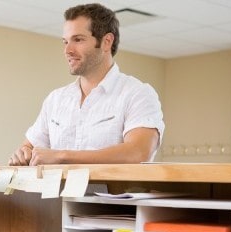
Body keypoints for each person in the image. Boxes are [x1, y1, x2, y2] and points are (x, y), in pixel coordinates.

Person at [9, 3, 165, 166]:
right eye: (65, 41)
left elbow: (138, 152)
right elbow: (29, 146)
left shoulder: (137, 93)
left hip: (114, 192)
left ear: (106, 42)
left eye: (78, 40)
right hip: (56, 193)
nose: (67, 50)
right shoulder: (56, 99)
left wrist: (62, 156)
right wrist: (23, 153)